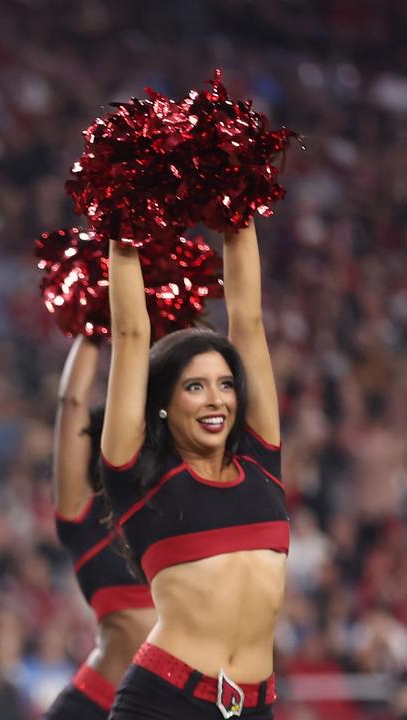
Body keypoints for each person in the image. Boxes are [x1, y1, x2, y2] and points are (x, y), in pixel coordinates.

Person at [101, 221, 287, 719]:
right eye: (195, 386)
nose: (217, 400)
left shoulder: (262, 461)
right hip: (163, 702)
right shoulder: (138, 476)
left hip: (254, 707)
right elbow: (130, 333)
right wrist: (122, 224)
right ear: (163, 402)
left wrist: (238, 204)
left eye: (226, 385)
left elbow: (248, 320)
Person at [45, 336, 155, 719]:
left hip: (173, 705)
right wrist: (90, 326)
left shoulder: (174, 508)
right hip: (96, 703)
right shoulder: (81, 514)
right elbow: (72, 403)